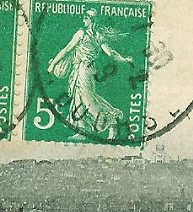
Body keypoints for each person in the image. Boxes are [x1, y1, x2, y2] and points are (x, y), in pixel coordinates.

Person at [48, 9, 134, 141]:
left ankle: (112, 122)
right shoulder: (98, 36)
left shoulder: (81, 34)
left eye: (85, 18)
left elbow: (66, 50)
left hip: (84, 70)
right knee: (78, 100)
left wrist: (53, 64)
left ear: (91, 20)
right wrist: (125, 60)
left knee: (88, 100)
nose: (83, 20)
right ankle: (82, 131)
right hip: (83, 70)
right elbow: (111, 53)